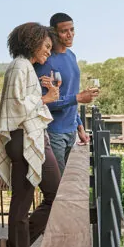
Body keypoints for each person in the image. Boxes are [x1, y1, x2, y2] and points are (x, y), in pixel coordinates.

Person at [0, 22, 60, 247]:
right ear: (33, 41)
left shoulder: (24, 67)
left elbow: (20, 104)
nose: (49, 52)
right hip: (25, 138)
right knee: (43, 197)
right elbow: (17, 107)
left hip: (29, 137)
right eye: (46, 46)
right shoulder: (20, 66)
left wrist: (45, 96)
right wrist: (45, 98)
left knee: (30, 198)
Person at [35, 12, 98, 174]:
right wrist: (78, 98)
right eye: (64, 31)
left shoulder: (71, 56)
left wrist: (80, 127)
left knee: (70, 181)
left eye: (72, 29)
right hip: (53, 132)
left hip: (71, 132)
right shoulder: (45, 62)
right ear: (54, 33)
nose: (70, 34)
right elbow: (45, 103)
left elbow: (71, 93)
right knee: (59, 187)